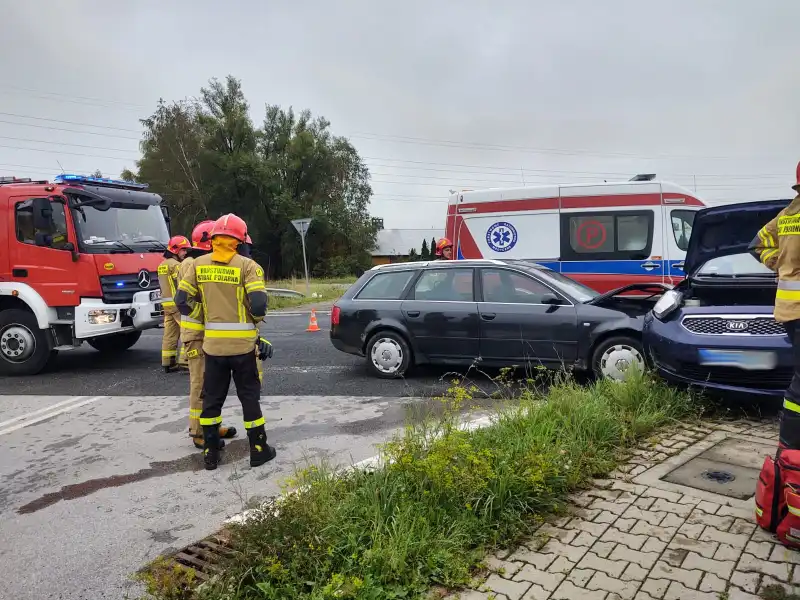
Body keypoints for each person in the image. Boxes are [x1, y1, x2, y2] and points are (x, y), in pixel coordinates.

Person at [175, 214, 276, 470]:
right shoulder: (247, 266)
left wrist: (204, 317)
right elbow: (260, 304)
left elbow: (181, 302)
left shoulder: (197, 265)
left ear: (215, 238)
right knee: (249, 398)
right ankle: (258, 450)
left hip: (212, 347)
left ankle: (210, 454)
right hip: (242, 347)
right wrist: (253, 320)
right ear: (241, 239)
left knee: (212, 400)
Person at [749, 160, 800, 449]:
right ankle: (791, 442)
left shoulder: (787, 215)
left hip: (790, 311)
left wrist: (777, 263)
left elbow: (757, 243)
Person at [177, 220, 238, 449]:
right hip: (196, 334)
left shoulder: (203, 263)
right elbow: (185, 300)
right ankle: (198, 431)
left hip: (206, 333)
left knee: (212, 385)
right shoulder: (191, 264)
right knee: (200, 383)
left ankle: (212, 425)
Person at [158, 235, 191, 373]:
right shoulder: (176, 266)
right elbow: (183, 283)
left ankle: (168, 362)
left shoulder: (162, 265)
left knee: (170, 333)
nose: (185, 253)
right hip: (177, 304)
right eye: (183, 250)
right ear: (175, 250)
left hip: (166, 305)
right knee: (188, 330)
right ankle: (185, 361)